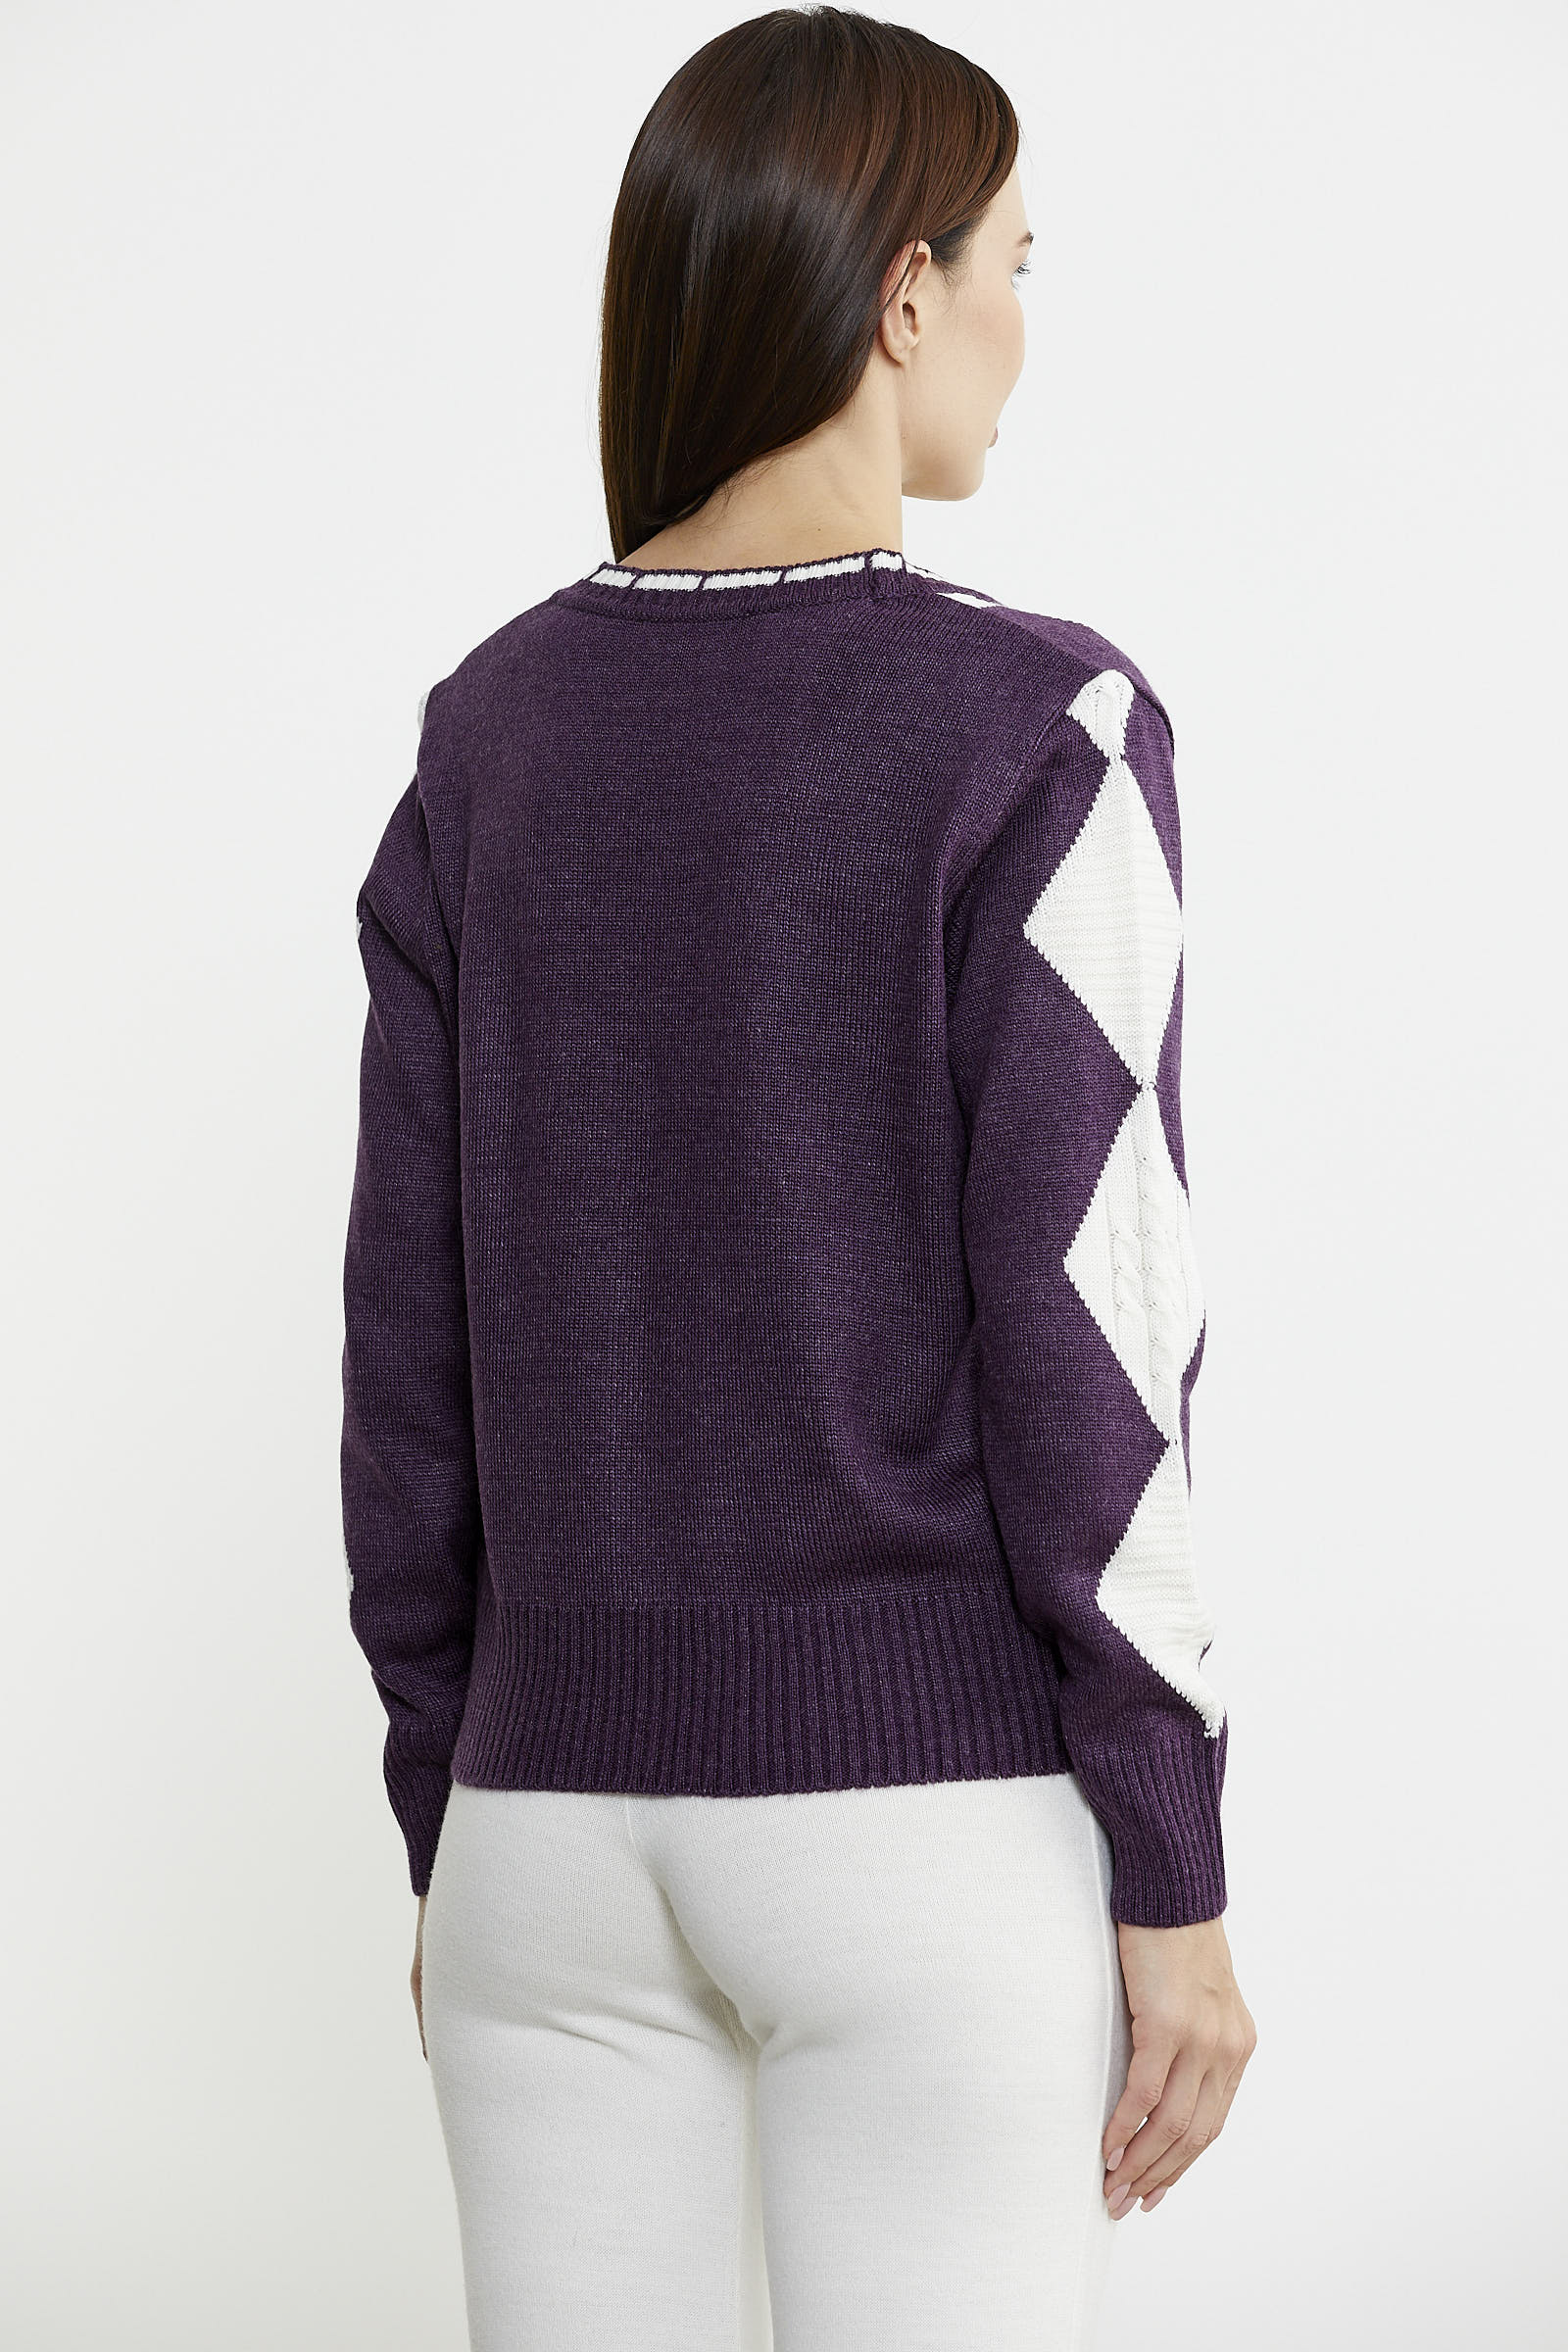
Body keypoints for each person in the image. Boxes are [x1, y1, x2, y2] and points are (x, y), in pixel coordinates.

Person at [339, 8, 1257, 2346]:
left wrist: (456, 1809)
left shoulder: (485, 735)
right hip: (916, 1827)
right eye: (1016, 263)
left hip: (541, 1839)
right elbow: (1094, 1333)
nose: (1024, 327)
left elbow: (404, 1367)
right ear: (903, 288)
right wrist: (1169, 1864)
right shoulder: (1034, 729)